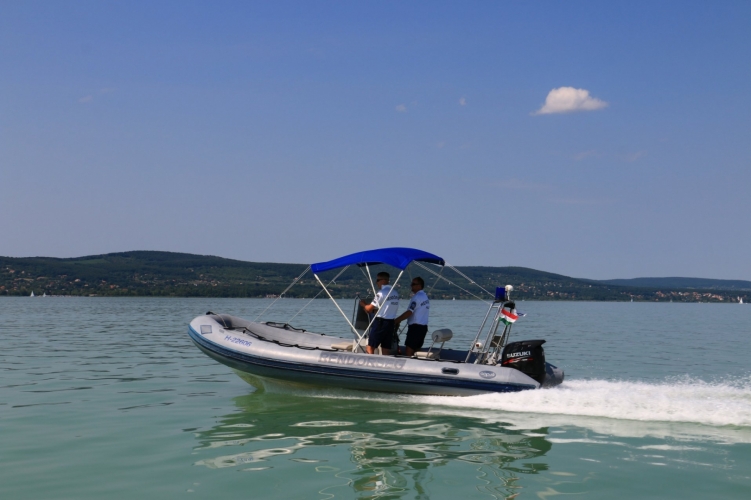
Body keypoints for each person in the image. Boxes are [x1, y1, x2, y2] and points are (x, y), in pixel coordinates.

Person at [360, 272, 400, 355]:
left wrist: (363, 304)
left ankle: (369, 362)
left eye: (377, 280)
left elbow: (369, 309)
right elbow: (386, 308)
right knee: (385, 348)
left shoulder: (381, 293)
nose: (376, 282)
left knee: (370, 347)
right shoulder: (395, 293)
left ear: (383, 281)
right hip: (390, 323)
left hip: (380, 322)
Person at [394, 277, 429, 356]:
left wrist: (396, 321)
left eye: (413, 284)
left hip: (415, 328)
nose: (411, 285)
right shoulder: (425, 296)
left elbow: (409, 312)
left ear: (419, 286)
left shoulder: (416, 297)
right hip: (423, 328)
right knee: (417, 349)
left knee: (409, 350)